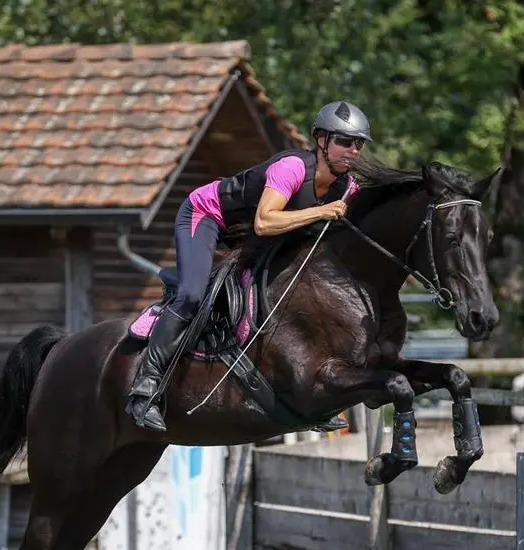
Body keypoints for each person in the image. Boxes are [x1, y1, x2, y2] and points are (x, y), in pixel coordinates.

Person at [125, 100, 373, 433]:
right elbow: (265, 222)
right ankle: (146, 387)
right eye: (344, 141)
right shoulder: (292, 168)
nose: (352, 150)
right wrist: (320, 212)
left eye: (358, 143)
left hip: (252, 237)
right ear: (321, 139)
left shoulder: (347, 188)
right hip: (209, 216)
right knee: (192, 294)